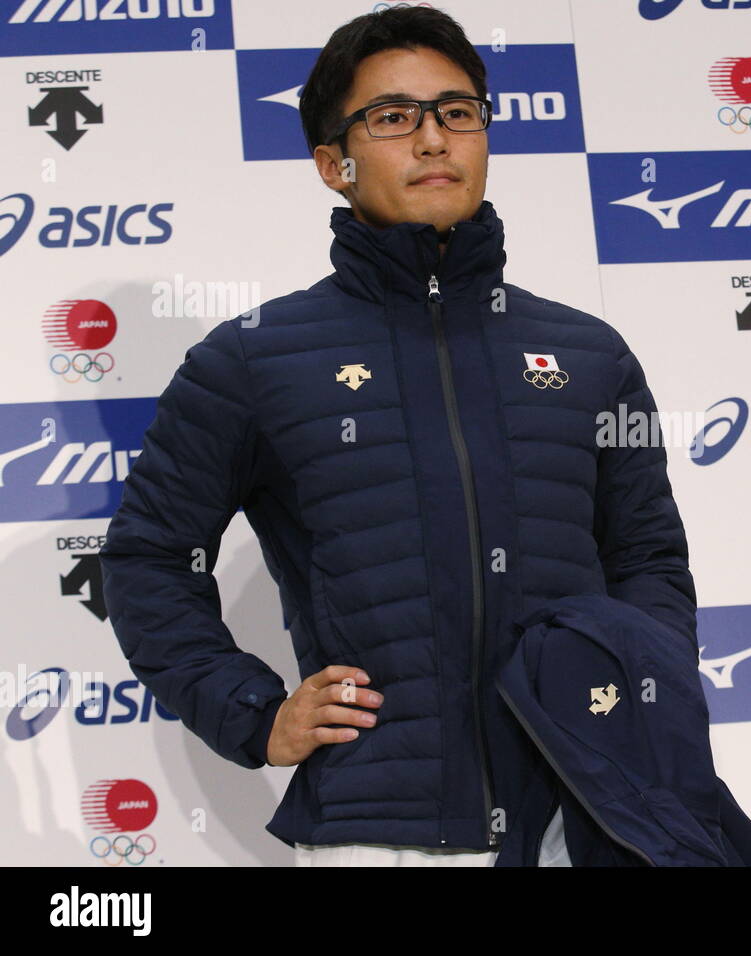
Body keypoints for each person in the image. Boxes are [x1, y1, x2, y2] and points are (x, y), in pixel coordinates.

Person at [99, 5, 697, 867]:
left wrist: (649, 704)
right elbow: (147, 558)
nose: (433, 140)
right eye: (392, 117)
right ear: (331, 163)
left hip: (593, 816)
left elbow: (646, 558)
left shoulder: (590, 354)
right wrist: (253, 713)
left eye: (457, 112)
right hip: (381, 834)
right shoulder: (251, 361)